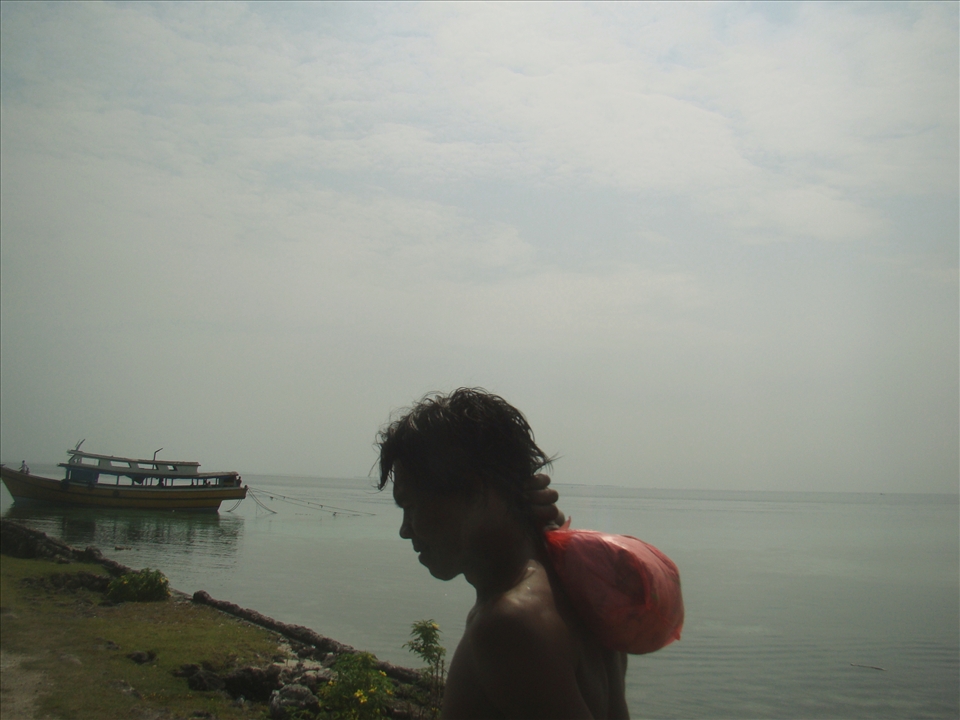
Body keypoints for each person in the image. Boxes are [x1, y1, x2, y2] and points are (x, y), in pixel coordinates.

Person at [378, 388, 629, 720]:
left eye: (411, 506)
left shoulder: (508, 626)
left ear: (474, 489)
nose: (405, 529)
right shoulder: (580, 584)